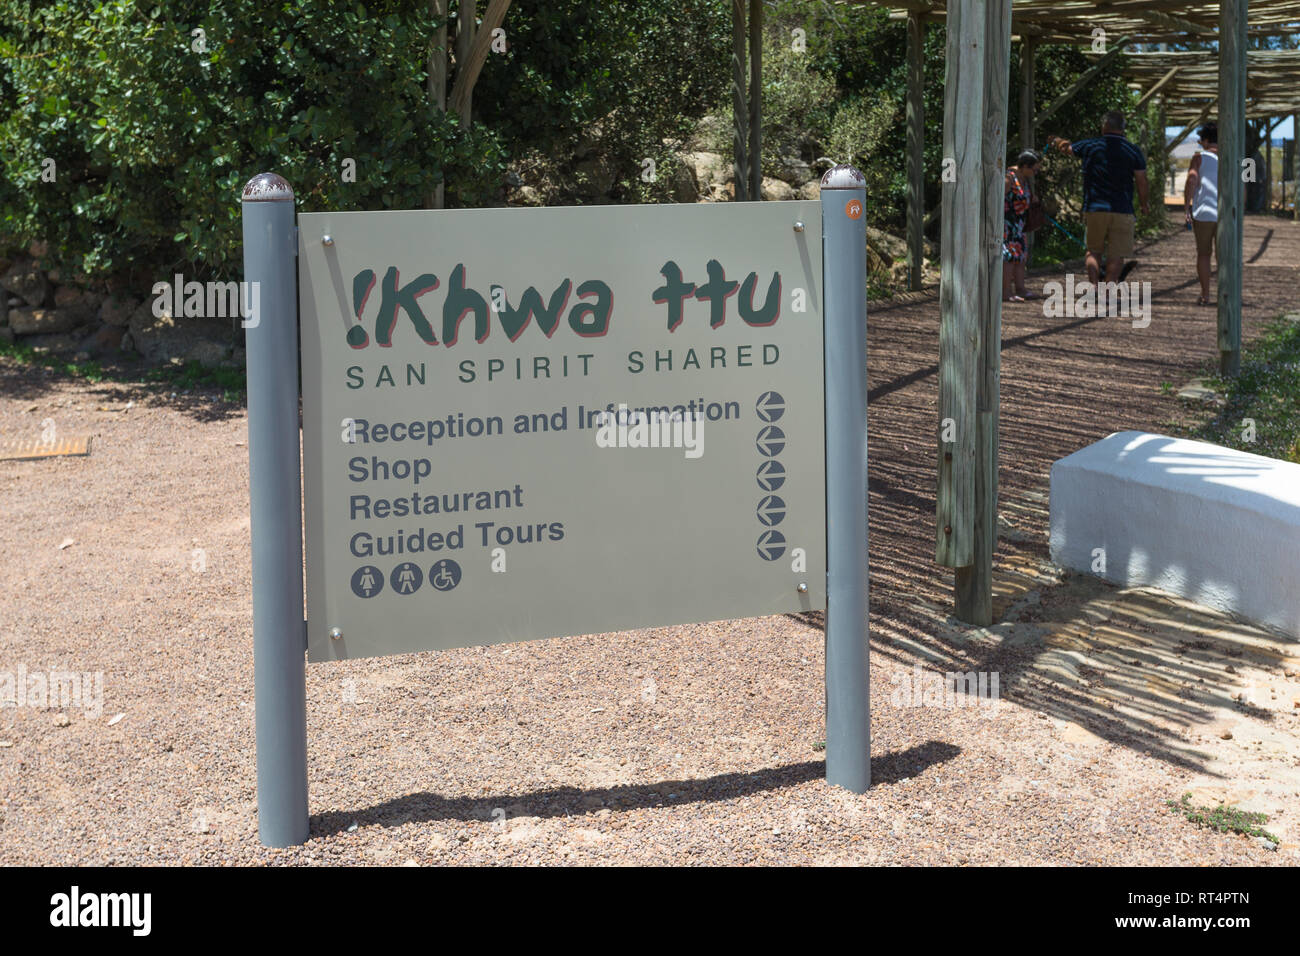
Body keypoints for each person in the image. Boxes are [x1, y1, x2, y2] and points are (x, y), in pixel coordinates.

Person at [1049, 111, 1151, 287]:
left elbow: (1068, 148)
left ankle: (1094, 287)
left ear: (1104, 126)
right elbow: (1141, 181)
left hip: (1095, 207)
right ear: (1123, 128)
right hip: (1122, 209)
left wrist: (1056, 141)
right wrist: (1144, 204)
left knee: (1093, 251)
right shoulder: (1133, 150)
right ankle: (1108, 290)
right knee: (1117, 254)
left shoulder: (1091, 145)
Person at [1185, 121, 1219, 306]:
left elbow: (1192, 180)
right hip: (1227, 214)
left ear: (1206, 141)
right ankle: (1227, 294)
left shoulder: (1198, 158)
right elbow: (1245, 184)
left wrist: (1186, 207)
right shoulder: (1238, 158)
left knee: (1204, 254)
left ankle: (1205, 294)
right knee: (1226, 256)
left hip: (1203, 212)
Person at [1003, 150, 1041, 302]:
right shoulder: (1008, 179)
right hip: (1007, 224)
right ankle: (1005, 291)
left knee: (1021, 257)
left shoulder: (1025, 179)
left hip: (1019, 224)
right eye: (1034, 169)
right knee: (1008, 258)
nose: (1035, 172)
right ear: (1025, 165)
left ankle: (1021, 288)